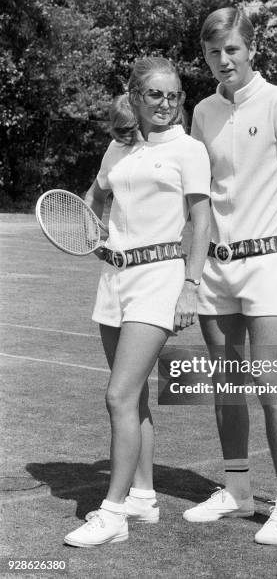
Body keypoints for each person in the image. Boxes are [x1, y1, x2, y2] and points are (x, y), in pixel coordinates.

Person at [182, 8, 277, 545]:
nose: (223, 60)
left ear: (251, 48)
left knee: (269, 382)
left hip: (266, 265)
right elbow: (200, 198)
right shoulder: (201, 111)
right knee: (227, 385)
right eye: (214, 52)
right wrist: (191, 269)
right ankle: (236, 489)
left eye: (232, 49)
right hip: (215, 266)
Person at [64, 57, 211, 547]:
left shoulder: (190, 150)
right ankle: (143, 496)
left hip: (160, 278)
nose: (167, 104)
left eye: (174, 95)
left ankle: (113, 515)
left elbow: (202, 221)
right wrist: (93, 231)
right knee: (137, 397)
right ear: (135, 98)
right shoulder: (118, 147)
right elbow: (94, 197)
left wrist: (191, 284)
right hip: (114, 280)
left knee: (118, 396)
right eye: (156, 95)